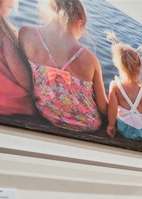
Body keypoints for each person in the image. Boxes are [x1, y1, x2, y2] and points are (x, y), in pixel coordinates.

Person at [18, 0, 107, 132]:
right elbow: (103, 107)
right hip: (87, 126)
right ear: (80, 22)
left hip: (47, 115)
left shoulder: (26, 34)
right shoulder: (89, 59)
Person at [105, 31, 142, 140]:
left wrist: (111, 126)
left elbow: (112, 109)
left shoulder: (115, 87)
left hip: (126, 131)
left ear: (118, 66)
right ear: (139, 68)